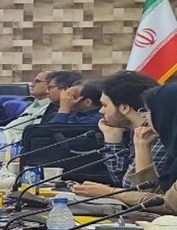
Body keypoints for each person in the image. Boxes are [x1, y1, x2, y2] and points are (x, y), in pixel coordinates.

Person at [74, 84, 177, 214]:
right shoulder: (169, 147)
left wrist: (110, 193)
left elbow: (167, 205)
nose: (145, 117)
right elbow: (154, 195)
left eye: (149, 111)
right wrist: (142, 147)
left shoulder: (163, 144)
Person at [72, 71, 168, 193]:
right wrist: (112, 139)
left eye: (105, 105)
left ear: (124, 108)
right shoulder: (136, 132)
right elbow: (121, 180)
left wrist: (109, 192)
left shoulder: (158, 138)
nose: (101, 111)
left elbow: (141, 190)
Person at [3, 71, 52, 139]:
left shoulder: (50, 108)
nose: (32, 85)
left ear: (50, 86)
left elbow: (33, 136)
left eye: (37, 81)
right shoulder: (34, 104)